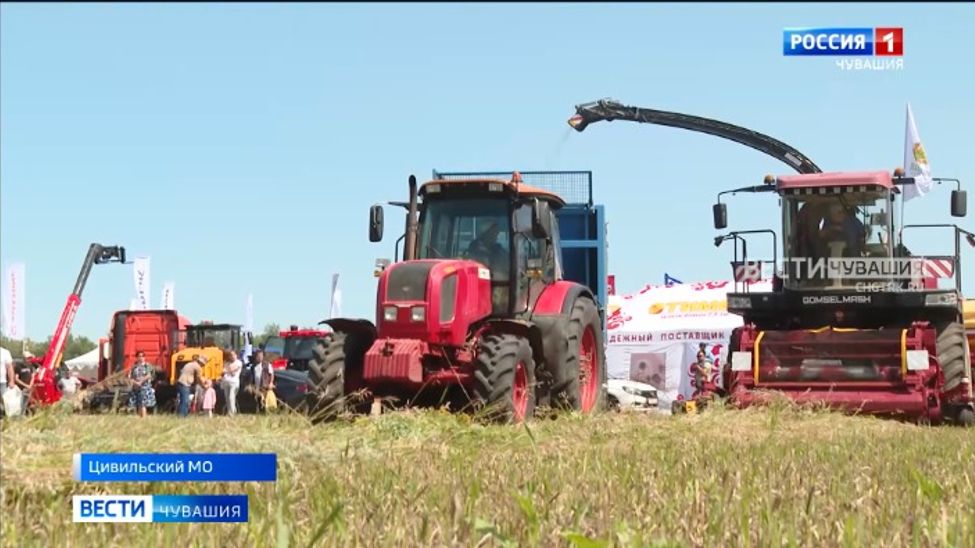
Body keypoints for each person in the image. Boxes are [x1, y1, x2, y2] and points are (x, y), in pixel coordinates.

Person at [127, 351, 157, 418]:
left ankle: (144, 418)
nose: (141, 358)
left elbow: (149, 375)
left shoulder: (147, 366)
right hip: (136, 387)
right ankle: (140, 417)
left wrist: (141, 381)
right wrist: (135, 383)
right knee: (138, 403)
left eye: (142, 356)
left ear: (144, 357)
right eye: (139, 356)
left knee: (143, 404)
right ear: (136, 357)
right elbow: (130, 377)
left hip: (145, 387)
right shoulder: (134, 367)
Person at [221, 349, 242, 416]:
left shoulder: (239, 362)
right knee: (227, 398)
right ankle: (230, 411)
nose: (232, 356)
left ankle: (232, 413)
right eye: (230, 355)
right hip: (226, 382)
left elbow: (233, 370)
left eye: (233, 355)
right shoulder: (226, 363)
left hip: (234, 383)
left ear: (236, 355)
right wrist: (227, 370)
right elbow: (222, 372)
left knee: (231, 397)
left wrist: (227, 370)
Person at [0, 347, 14, 415]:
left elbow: (9, 367)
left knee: (4, 401)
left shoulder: (5, 352)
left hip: (2, 381)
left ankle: (5, 416)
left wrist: (11, 380)